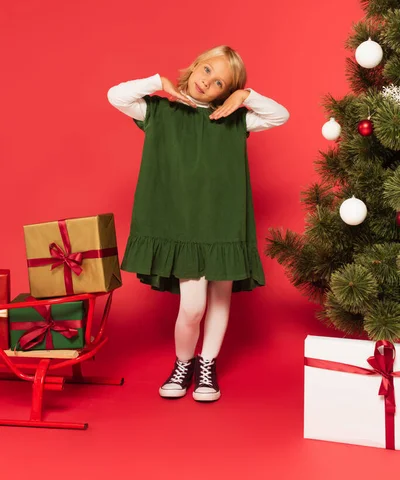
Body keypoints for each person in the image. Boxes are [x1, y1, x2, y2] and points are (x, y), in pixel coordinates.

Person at [107, 45, 289, 402]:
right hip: (184, 222)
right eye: (206, 71)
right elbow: (115, 95)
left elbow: (279, 115)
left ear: (226, 91)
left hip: (225, 218)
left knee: (220, 297)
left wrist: (246, 95)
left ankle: (207, 365)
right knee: (193, 306)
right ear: (194, 67)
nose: (208, 82)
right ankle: (183, 362)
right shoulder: (157, 110)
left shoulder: (234, 118)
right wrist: (158, 82)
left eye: (220, 82)